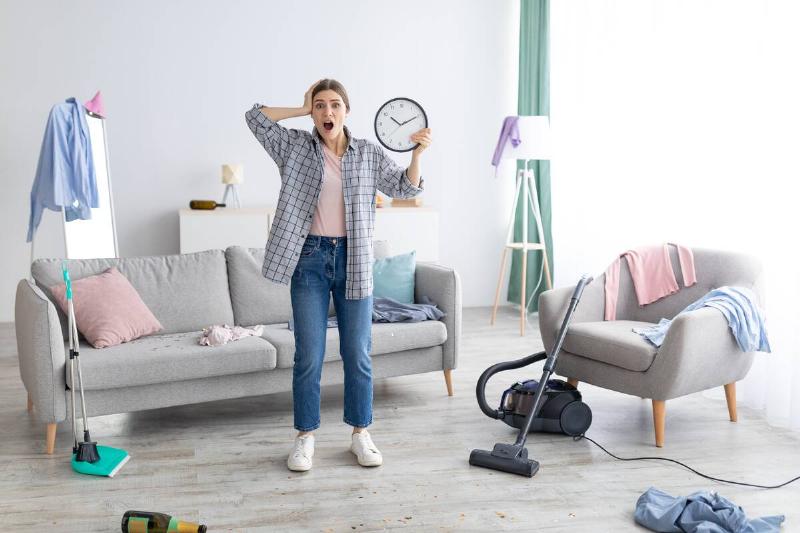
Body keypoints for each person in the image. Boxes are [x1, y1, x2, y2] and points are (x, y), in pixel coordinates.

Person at [245, 79, 432, 471]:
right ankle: (305, 438)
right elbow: (255, 117)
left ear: (347, 110)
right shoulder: (295, 147)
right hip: (309, 258)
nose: (327, 112)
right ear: (312, 111)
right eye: (319, 106)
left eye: (334, 105)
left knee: (358, 354)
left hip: (355, 259)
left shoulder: (367, 153)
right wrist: (300, 107)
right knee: (309, 355)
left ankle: (360, 434)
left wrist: (417, 154)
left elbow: (404, 187)